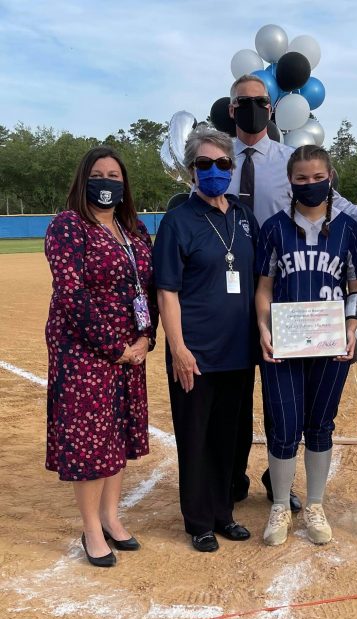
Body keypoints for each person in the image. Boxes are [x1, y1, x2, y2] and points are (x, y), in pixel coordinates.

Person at [227, 74, 357, 513]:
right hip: (235, 293)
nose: (309, 182)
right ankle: (229, 479)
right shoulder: (216, 161)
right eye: (243, 101)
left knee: (311, 419)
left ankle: (282, 490)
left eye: (260, 100)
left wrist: (351, 323)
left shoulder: (292, 161)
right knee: (237, 396)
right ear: (231, 108)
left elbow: (343, 219)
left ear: (272, 106)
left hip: (297, 311)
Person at [45, 146, 158, 567]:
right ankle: (91, 527)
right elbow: (70, 294)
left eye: (115, 175)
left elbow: (148, 290)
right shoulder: (68, 226)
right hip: (85, 350)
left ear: (124, 184)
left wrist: (146, 337)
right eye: (99, 174)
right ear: (84, 179)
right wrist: (116, 347)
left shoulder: (134, 230)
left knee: (119, 433)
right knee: (91, 438)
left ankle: (111, 517)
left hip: (132, 348)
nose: (107, 181)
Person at [255, 145, 357, 546]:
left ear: (331, 176)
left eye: (317, 176)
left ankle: (316, 504)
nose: (310, 184)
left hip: (330, 341)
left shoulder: (347, 228)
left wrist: (351, 326)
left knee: (320, 424)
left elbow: (356, 285)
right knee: (284, 426)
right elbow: (265, 286)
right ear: (290, 181)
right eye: (301, 178)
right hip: (285, 343)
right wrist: (263, 327)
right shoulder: (273, 228)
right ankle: (280, 506)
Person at [153, 126, 258, 552]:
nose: (213, 171)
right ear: (191, 170)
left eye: (222, 163)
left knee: (229, 438)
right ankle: (198, 520)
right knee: (195, 439)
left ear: (232, 167)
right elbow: (167, 291)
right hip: (195, 353)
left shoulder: (244, 218)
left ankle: (223, 513)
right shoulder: (178, 221)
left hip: (238, 351)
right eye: (203, 164)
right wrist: (178, 348)